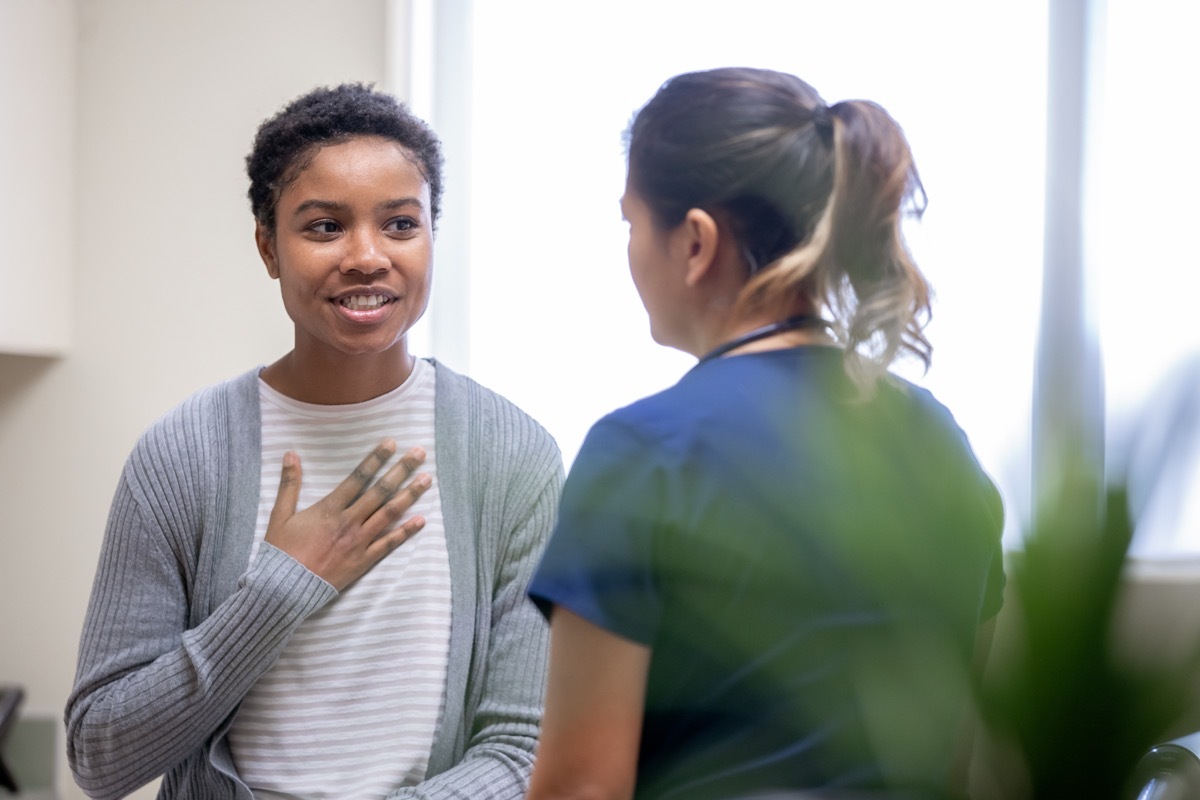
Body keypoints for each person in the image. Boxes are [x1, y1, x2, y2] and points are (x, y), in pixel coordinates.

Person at [66, 83, 563, 800]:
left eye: (399, 224)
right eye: (324, 227)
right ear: (269, 248)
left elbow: (525, 753)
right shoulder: (181, 457)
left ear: (431, 237)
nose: (367, 256)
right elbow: (99, 757)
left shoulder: (511, 456)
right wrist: (278, 589)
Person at [525, 67, 1005, 800]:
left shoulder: (644, 454)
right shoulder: (942, 444)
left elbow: (580, 790)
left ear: (694, 241)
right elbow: (951, 760)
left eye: (630, 223)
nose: (628, 251)